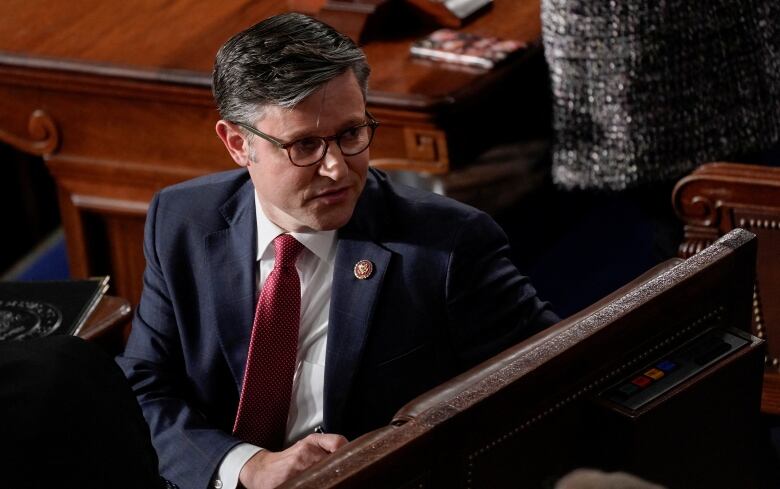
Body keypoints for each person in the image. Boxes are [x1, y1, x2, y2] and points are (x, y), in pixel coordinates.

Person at [116, 12, 558, 489]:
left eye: (351, 134)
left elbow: (550, 386)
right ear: (238, 144)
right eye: (304, 145)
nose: (336, 169)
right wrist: (246, 467)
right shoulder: (182, 221)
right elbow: (144, 387)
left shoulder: (449, 247)